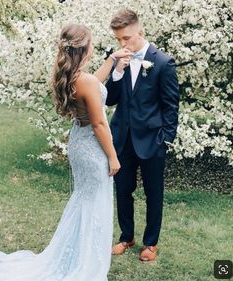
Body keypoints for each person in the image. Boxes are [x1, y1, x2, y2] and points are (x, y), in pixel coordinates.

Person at [0, 23, 130, 281]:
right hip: (93, 146)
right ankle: (85, 262)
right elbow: (100, 123)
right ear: (85, 48)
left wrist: (112, 60)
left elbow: (96, 86)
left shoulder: (75, 77)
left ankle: (75, 253)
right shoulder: (86, 80)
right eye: (91, 43)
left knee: (84, 199)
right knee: (93, 203)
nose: (94, 47)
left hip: (79, 143)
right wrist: (113, 156)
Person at [106, 9, 180, 262]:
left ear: (140, 32)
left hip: (152, 140)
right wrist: (116, 71)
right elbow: (110, 99)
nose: (121, 44)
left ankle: (151, 243)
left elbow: (171, 105)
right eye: (118, 39)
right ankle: (126, 237)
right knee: (123, 190)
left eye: (126, 38)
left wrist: (165, 139)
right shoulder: (117, 59)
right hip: (122, 140)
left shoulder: (162, 62)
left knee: (153, 192)